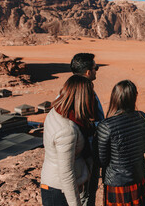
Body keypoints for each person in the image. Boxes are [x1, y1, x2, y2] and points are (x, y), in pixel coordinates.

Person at [41, 75, 96, 206]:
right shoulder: (67, 130)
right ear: (82, 98)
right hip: (60, 191)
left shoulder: (57, 111)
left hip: (55, 185)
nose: (94, 97)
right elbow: (66, 173)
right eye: (91, 94)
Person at [97, 80, 145, 206]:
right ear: (134, 97)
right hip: (139, 176)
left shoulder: (106, 126)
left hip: (117, 182)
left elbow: (102, 160)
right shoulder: (142, 117)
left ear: (114, 98)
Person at [70, 53, 104, 206]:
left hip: (77, 154)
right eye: (95, 68)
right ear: (88, 72)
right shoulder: (85, 93)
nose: (97, 70)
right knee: (86, 195)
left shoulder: (67, 91)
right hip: (86, 154)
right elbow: (88, 124)